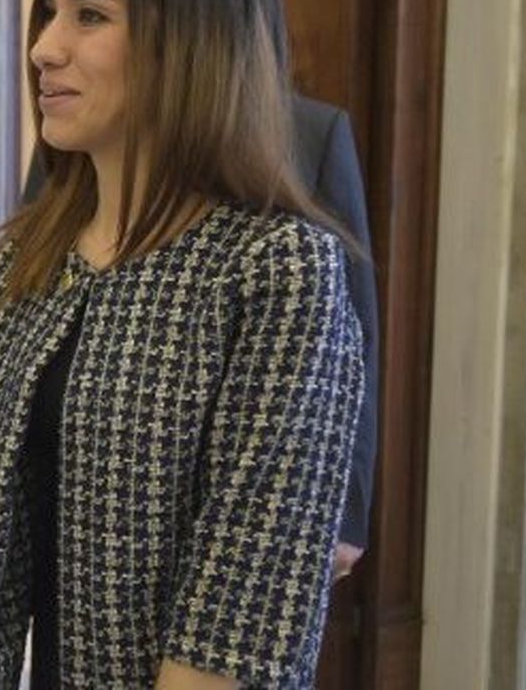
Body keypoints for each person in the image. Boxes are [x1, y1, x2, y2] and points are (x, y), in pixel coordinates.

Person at [0, 0, 364, 688]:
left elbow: (235, 617)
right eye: (49, 14)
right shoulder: (44, 249)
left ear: (188, 39)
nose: (45, 48)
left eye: (89, 16)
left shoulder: (276, 270)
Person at [22, 90, 380, 581]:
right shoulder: (79, 133)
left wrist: (348, 510)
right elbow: (28, 301)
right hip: (87, 503)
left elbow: (354, 337)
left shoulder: (313, 133)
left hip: (254, 494)